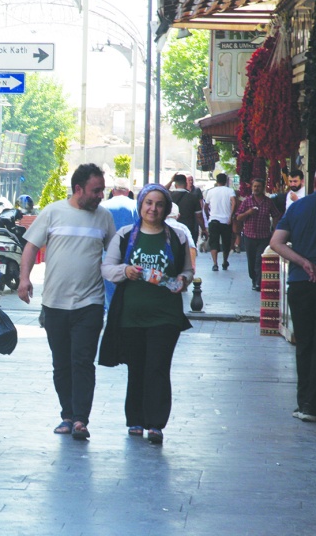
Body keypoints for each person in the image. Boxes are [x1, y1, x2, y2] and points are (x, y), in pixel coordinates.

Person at [17, 163, 116, 440]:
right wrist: (24, 279)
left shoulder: (104, 218)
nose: (100, 196)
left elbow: (115, 253)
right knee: (61, 363)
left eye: (102, 190)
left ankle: (81, 419)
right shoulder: (53, 212)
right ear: (78, 189)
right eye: (96, 191)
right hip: (55, 304)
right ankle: (67, 415)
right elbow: (31, 247)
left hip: (91, 303)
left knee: (83, 361)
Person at [100, 184, 193, 444]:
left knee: (158, 367)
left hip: (166, 316)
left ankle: (156, 424)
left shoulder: (178, 236)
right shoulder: (125, 235)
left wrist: (182, 281)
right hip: (131, 315)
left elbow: (187, 270)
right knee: (137, 368)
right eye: (148, 203)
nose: (153, 208)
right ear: (140, 205)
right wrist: (125, 271)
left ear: (166, 208)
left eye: (159, 204)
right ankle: (135, 420)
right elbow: (107, 268)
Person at [270, 162, 316, 423]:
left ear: (315, 181)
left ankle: (303, 402)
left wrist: (302, 261)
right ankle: (314, 406)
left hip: (299, 283)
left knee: (304, 343)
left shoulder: (297, 207)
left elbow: (276, 243)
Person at [235, 178, 281, 291]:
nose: (256, 188)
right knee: (251, 260)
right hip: (249, 236)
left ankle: (258, 282)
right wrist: (248, 212)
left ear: (263, 188)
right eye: (255, 186)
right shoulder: (247, 201)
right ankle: (253, 279)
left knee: (259, 260)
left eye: (259, 186)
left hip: (264, 236)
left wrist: (275, 229)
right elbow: (238, 217)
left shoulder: (268, 202)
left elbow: (276, 215)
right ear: (252, 187)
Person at [101, 177, 138, 310]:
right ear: (128, 191)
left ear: (113, 191)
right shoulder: (135, 205)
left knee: (109, 292)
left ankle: (110, 317)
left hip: (107, 253)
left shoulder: (103, 206)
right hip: (130, 254)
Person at [203, 173, 237, 271]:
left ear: (216, 181)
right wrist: (231, 215)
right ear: (226, 180)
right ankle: (225, 261)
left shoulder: (211, 191)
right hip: (226, 221)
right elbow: (234, 202)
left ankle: (215, 264)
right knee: (226, 242)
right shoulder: (230, 191)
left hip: (213, 220)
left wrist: (209, 214)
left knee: (214, 242)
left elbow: (205, 206)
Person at [169, 173, 206, 243]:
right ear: (186, 184)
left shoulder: (170, 196)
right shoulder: (193, 197)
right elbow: (199, 216)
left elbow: (162, 189)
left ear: (175, 185)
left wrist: (171, 181)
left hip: (173, 229)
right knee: (189, 251)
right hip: (189, 228)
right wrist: (203, 229)